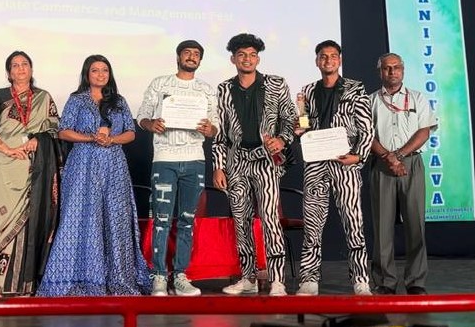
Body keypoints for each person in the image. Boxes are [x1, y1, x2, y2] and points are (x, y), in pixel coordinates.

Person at [37, 55, 151, 296]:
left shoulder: (118, 101)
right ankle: (79, 279)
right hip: (83, 165)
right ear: (87, 74)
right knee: (81, 218)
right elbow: (63, 132)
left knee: (115, 219)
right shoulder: (76, 100)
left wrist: (111, 140)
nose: (100, 74)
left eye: (104, 70)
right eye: (95, 70)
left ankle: (118, 278)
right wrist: (91, 137)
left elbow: (131, 133)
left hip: (114, 166)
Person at [212, 33, 296, 297]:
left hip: (266, 161)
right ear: (233, 59)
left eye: (252, 55)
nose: (247, 59)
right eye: (241, 55)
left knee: (270, 219)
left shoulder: (275, 83)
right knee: (241, 220)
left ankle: (277, 280)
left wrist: (282, 139)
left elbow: (290, 118)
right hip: (236, 162)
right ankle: (247, 278)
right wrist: (218, 166)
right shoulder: (224, 89)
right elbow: (220, 132)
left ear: (258, 58)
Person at [136, 40, 218, 296]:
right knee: (161, 219)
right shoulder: (160, 84)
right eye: (187, 53)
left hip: (195, 160)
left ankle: (181, 275)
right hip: (164, 159)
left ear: (200, 60)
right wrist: (151, 124)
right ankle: (159, 276)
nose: (191, 57)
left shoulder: (206, 89)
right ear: (178, 57)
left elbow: (216, 125)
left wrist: (210, 129)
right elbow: (142, 116)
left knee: (187, 220)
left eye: (196, 54)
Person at [294, 40, 373, 296]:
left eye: (333, 56)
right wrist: (299, 128)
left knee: (353, 222)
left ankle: (361, 280)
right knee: (312, 224)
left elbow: (367, 128)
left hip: (345, 163)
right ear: (317, 61)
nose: (328, 60)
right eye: (323, 56)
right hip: (316, 164)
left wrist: (358, 156)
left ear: (339, 60)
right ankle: (308, 279)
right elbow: (304, 125)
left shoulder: (355, 88)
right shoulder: (307, 91)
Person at [0, 51, 60, 296]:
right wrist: (6, 149)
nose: (20, 69)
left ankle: (25, 284)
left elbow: (55, 129)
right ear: (8, 73)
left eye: (24, 64)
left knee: (30, 222)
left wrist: (39, 139)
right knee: (0, 221)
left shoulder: (43, 97)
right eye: (14, 65)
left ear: (31, 69)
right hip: (4, 164)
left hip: (33, 167)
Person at [369, 53, 437, 295]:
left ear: (403, 70)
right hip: (382, 165)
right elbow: (368, 136)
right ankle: (385, 282)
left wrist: (398, 155)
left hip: (411, 164)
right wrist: (389, 158)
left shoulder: (418, 98)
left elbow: (424, 132)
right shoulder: (370, 101)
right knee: (382, 227)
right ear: (380, 72)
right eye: (387, 68)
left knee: (415, 224)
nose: (392, 72)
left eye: (396, 67)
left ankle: (416, 281)